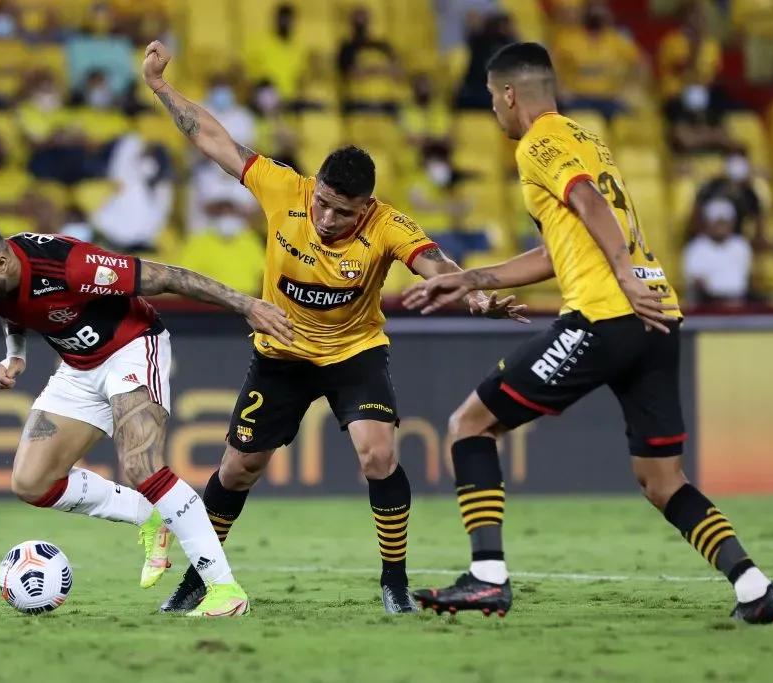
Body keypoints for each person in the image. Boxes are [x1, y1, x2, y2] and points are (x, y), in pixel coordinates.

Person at [402, 42, 773, 625]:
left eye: (491, 99)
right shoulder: (586, 138)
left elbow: (584, 199)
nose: (492, 112)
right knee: (662, 481)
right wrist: (475, 278)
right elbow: (564, 244)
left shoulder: (540, 143)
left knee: (468, 426)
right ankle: (755, 587)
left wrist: (624, 275)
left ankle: (486, 578)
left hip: (606, 316)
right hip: (657, 318)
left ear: (509, 94)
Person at [139, 40, 528, 615]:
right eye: (322, 202)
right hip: (282, 351)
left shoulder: (389, 225)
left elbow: (433, 263)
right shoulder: (282, 189)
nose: (327, 218)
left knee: (378, 456)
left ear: (366, 207)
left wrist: (470, 291)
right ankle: (203, 576)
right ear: (313, 187)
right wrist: (160, 87)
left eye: (343, 212)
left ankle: (394, 581)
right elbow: (215, 141)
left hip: (354, 353)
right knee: (237, 468)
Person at [0, 217, 295, 617]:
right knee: (31, 482)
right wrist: (16, 354)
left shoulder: (71, 266)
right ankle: (148, 514)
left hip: (132, 346)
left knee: (142, 467)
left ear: (1, 263)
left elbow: (168, 277)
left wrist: (247, 305)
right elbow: (9, 305)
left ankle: (224, 591)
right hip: (78, 365)